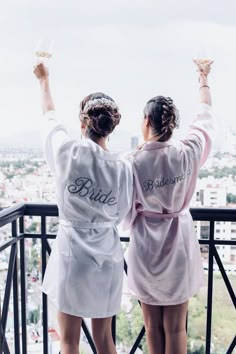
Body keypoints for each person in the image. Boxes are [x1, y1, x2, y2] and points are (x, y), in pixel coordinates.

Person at [33, 63, 133, 354]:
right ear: (110, 127)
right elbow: (123, 213)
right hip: (107, 257)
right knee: (104, 339)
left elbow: (49, 118)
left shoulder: (68, 152)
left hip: (72, 256)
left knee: (68, 340)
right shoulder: (123, 168)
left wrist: (44, 80)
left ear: (82, 123)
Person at [124, 59, 214, 354]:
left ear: (146, 122)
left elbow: (125, 211)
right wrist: (203, 79)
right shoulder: (187, 152)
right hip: (179, 246)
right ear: (172, 124)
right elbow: (204, 118)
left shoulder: (133, 162)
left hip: (146, 248)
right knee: (177, 327)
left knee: (152, 327)